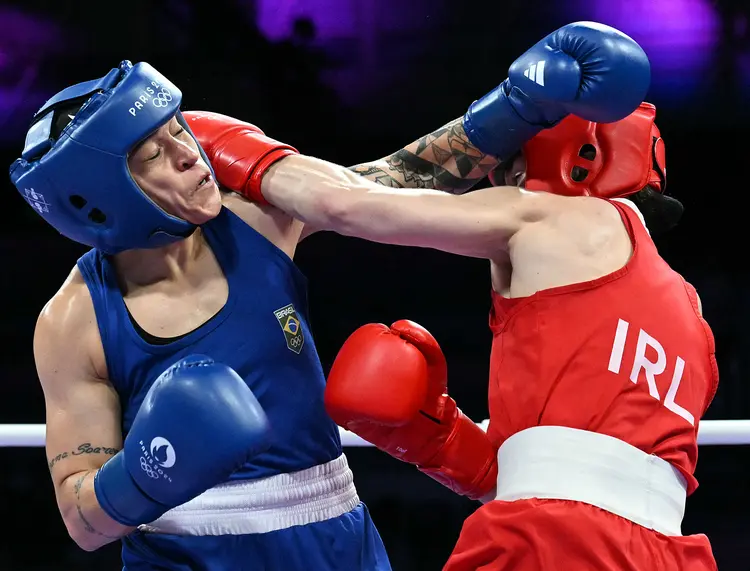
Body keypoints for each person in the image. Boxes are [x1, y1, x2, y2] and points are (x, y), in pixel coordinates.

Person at [7, 21, 636, 569]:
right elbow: (83, 522)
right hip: (183, 557)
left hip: (335, 537)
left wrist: (516, 108)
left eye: (179, 131)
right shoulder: (75, 322)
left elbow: (392, 184)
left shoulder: (253, 218)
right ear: (100, 199)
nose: (191, 155)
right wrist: (151, 470)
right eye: (154, 154)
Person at [185, 27, 719, 571]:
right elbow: (587, 470)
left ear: (573, 157)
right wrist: (437, 439)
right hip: (670, 553)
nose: (502, 176)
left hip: (552, 537)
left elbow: (344, 205)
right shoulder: (693, 319)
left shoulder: (561, 217)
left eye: (510, 162)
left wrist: (227, 147)